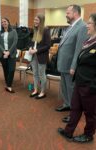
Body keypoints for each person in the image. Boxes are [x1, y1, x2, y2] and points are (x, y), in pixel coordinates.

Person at [58, 13, 96, 143]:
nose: (87, 26)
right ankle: (68, 131)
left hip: (89, 86)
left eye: (89, 23)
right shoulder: (89, 41)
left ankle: (88, 135)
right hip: (80, 82)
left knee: (90, 113)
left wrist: (93, 86)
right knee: (75, 108)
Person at [56, 5, 88, 113]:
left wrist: (73, 66)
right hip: (63, 64)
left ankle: (73, 112)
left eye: (68, 13)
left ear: (75, 13)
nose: (66, 15)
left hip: (70, 66)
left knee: (71, 90)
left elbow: (78, 49)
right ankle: (67, 104)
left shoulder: (82, 26)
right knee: (64, 88)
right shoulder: (71, 26)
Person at [29, 14, 51, 99]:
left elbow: (48, 45)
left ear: (41, 21)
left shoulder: (46, 30)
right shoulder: (35, 30)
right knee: (35, 74)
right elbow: (32, 42)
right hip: (34, 56)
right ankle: (35, 90)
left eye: (37, 20)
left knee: (42, 75)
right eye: (34, 20)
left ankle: (42, 92)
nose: (35, 21)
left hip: (41, 56)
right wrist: (30, 48)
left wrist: (37, 50)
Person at [0, 17, 18, 93]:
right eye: (2, 22)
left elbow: (15, 42)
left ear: (8, 22)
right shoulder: (0, 33)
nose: (3, 23)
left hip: (11, 53)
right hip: (3, 53)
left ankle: (8, 85)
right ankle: (8, 85)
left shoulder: (14, 31)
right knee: (5, 69)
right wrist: (4, 51)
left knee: (11, 69)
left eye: (5, 21)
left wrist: (8, 52)